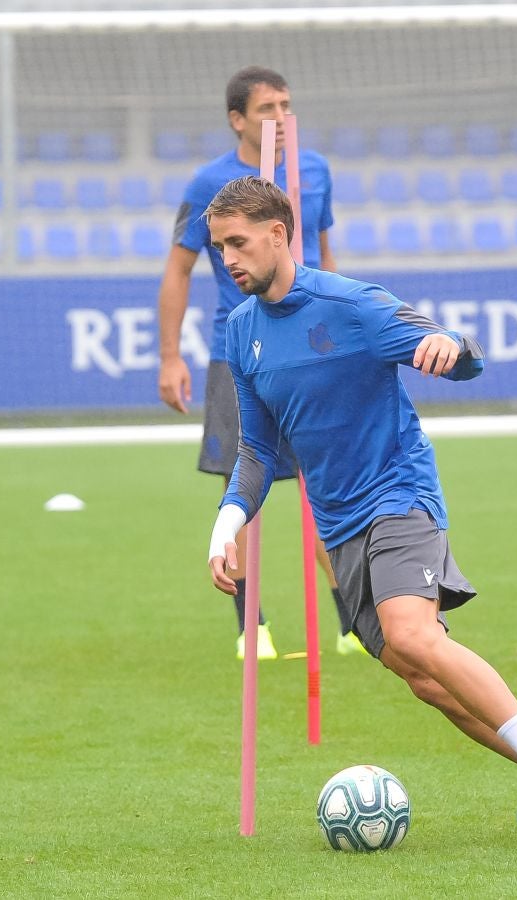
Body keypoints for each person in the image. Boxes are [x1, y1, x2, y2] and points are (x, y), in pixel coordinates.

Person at [201, 175, 517, 843]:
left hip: (398, 493)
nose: (227, 259)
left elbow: (464, 356)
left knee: (412, 635)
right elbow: (256, 450)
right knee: (424, 679)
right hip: (338, 523)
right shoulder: (240, 331)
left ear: (278, 234)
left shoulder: (353, 305)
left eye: (237, 242)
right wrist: (226, 525)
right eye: (219, 246)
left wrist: (450, 349)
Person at [155, 65, 362, 660]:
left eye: (286, 105)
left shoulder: (313, 170)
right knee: (243, 484)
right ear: (237, 120)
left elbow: (324, 254)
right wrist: (170, 356)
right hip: (239, 351)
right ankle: (253, 624)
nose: (280, 117)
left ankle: (351, 622)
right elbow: (178, 270)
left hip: (314, 348)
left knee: (327, 483)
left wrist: (343, 328)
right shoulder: (210, 184)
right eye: (267, 108)